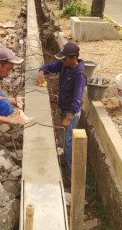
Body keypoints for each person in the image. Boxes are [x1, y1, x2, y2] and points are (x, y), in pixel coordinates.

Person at [37, 42, 87, 182]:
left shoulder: (80, 75)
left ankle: (71, 175)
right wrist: (42, 71)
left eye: (64, 59)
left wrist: (68, 118)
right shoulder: (64, 65)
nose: (62, 61)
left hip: (72, 113)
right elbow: (49, 67)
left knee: (67, 143)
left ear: (74, 58)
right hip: (65, 109)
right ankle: (65, 166)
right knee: (64, 139)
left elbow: (77, 100)